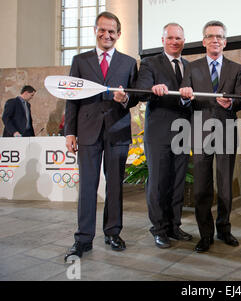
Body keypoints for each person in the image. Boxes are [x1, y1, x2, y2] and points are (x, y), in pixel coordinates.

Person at [64, 11, 138, 262]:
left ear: (119, 34)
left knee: (115, 185)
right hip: (87, 132)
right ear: (95, 31)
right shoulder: (80, 61)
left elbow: (135, 96)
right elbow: (71, 99)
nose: (107, 35)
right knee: (87, 186)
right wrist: (70, 131)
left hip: (117, 130)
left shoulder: (129, 63)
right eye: (102, 30)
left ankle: (113, 233)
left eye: (112, 31)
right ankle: (83, 239)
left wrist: (125, 98)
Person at [115, 23, 193, 249]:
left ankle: (174, 226)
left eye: (178, 38)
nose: (174, 41)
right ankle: (158, 229)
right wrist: (153, 90)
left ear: (184, 41)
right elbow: (140, 93)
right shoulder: (150, 63)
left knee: (178, 182)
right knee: (158, 183)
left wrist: (188, 98)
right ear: (163, 40)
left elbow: (191, 97)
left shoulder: (189, 66)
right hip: (158, 133)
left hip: (182, 131)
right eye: (170, 38)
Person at [179, 21, 241, 253]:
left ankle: (224, 229)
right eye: (210, 36)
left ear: (225, 42)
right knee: (201, 187)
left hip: (226, 129)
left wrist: (232, 102)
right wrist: (185, 96)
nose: (215, 40)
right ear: (204, 41)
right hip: (201, 131)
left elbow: (240, 100)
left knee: (226, 186)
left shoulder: (236, 68)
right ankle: (205, 234)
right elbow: (184, 96)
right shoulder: (192, 67)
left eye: (219, 36)